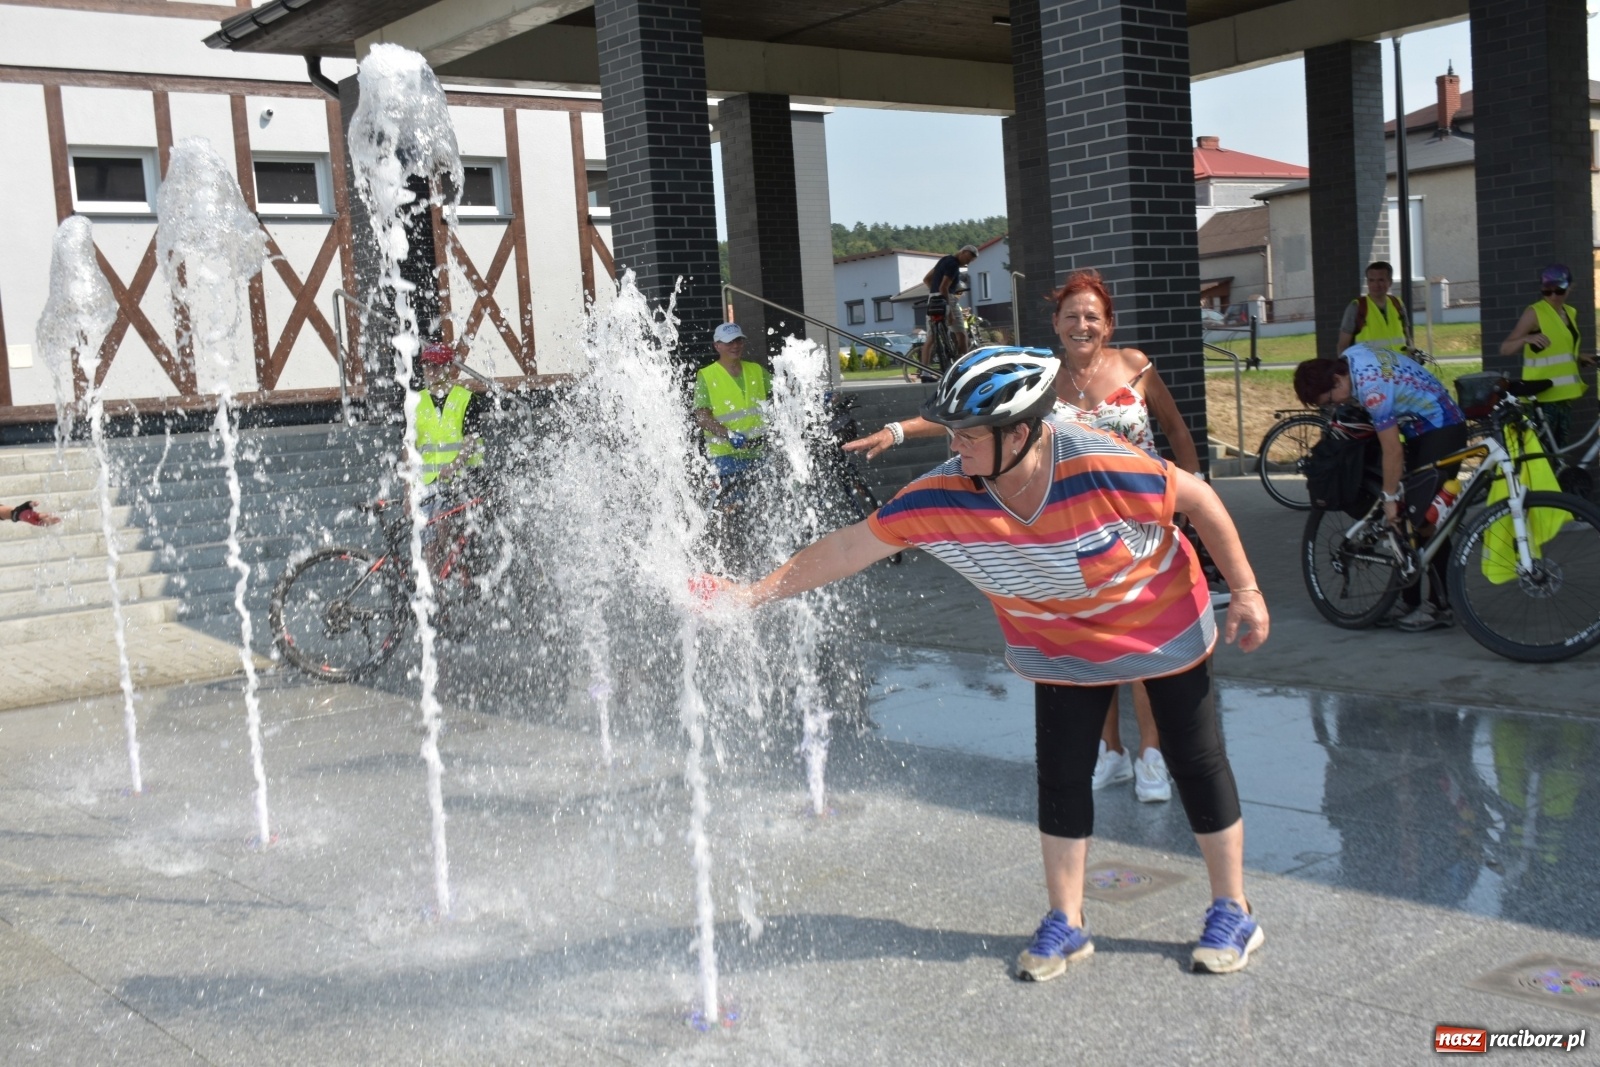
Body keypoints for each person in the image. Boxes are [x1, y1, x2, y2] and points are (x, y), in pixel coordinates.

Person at [697, 350, 1270, 980]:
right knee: (1061, 774)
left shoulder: (1101, 463)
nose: (954, 444)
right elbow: (849, 546)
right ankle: (1068, 920)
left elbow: (1199, 500)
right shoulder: (946, 492)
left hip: (1155, 617)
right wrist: (752, 594)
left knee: (1193, 759)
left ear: (1018, 433)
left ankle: (1232, 907)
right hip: (1056, 639)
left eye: (967, 434)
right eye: (952, 432)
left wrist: (1244, 591)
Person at [845, 269, 1215, 805]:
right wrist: (899, 430)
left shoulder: (1135, 365)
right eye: (1071, 317)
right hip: (1075, 525)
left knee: (1147, 641)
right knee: (1097, 644)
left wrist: (1191, 495)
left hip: (1142, 514)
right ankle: (1110, 752)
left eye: (1092, 316)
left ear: (1107, 324)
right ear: (1057, 325)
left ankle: (1151, 755)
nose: (1081, 325)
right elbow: (974, 407)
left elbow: (1177, 430)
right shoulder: (1042, 376)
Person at [1293, 343, 1468, 632]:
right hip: (1419, 427)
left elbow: (1392, 452)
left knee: (1422, 520)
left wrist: (1388, 497)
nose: (1334, 405)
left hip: (1441, 428)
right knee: (1407, 516)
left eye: (1330, 400)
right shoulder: (1351, 356)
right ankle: (1408, 600)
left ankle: (1440, 606)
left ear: (1337, 380)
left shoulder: (1372, 390)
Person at [1496, 263, 1596, 447]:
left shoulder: (1570, 313)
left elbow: (1559, 346)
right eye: (1547, 292)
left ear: (1570, 287)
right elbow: (1505, 348)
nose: (1553, 296)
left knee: (1558, 453)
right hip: (1543, 399)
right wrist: (1526, 338)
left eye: (1559, 290)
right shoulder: (1535, 313)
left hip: (1564, 397)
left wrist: (1579, 356)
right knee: (1543, 456)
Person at [693, 322, 769, 496]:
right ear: (717, 346)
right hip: (725, 457)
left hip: (758, 453)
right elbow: (702, 418)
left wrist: (814, 394)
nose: (735, 346)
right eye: (729, 342)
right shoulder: (706, 375)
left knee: (760, 507)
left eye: (739, 341)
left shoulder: (756, 370)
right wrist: (730, 435)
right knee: (731, 508)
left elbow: (785, 390)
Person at [920, 244, 979, 374]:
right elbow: (944, 287)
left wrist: (934, 293)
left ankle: (924, 372)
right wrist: (950, 310)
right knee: (961, 334)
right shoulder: (953, 265)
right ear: (963, 252)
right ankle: (962, 368)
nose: (967, 263)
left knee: (931, 337)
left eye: (970, 262)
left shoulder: (944, 260)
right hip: (947, 298)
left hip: (933, 299)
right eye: (968, 259)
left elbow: (927, 279)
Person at [1335, 261, 1410, 354]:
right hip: (1370, 368)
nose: (1376, 285)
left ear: (1390, 282)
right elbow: (1342, 345)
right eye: (1371, 280)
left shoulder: (1398, 304)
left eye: (1381, 280)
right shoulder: (1357, 307)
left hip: (1400, 366)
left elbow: (1407, 339)